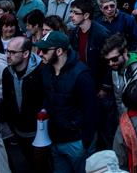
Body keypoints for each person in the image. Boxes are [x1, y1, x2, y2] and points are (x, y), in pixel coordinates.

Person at [34, 31, 98, 173]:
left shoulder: (82, 76)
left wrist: (85, 143)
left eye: (44, 50)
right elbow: (47, 98)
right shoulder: (45, 71)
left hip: (77, 142)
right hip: (55, 140)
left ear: (59, 51)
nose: (39, 54)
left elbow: (91, 111)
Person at [0, 36, 45, 171]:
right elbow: (7, 100)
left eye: (13, 52)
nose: (8, 55)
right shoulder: (7, 72)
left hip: (39, 131)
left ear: (25, 54)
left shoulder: (41, 72)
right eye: (7, 51)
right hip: (19, 130)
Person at [69, 0, 111, 88]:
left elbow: (109, 62)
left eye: (76, 13)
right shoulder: (75, 33)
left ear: (86, 15)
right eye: (71, 12)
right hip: (81, 79)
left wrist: (105, 87)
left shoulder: (102, 34)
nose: (71, 15)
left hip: (96, 82)